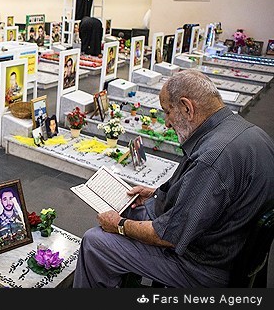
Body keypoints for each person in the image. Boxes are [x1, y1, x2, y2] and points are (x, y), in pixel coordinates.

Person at [72, 69, 274, 288]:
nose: (166, 122)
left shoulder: (213, 157)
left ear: (187, 108)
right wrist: (156, 193)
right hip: (227, 242)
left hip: (203, 267)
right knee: (131, 208)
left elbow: (169, 235)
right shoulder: (247, 131)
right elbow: (210, 195)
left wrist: (119, 226)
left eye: (167, 112)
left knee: (95, 242)